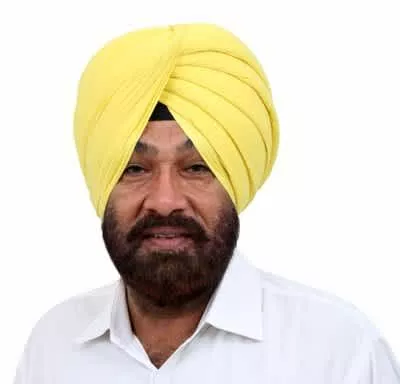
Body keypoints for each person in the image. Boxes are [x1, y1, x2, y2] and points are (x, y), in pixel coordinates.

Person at [14, 23, 400, 383]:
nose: (165, 201)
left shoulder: (337, 353)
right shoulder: (53, 348)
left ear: (235, 182)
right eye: (135, 169)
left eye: (197, 168)